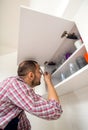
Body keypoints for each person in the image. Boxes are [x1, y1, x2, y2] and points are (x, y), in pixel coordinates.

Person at [0, 60, 63, 130]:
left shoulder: (18, 85)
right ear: (31, 75)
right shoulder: (15, 85)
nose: (41, 74)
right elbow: (55, 111)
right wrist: (48, 81)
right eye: (39, 71)